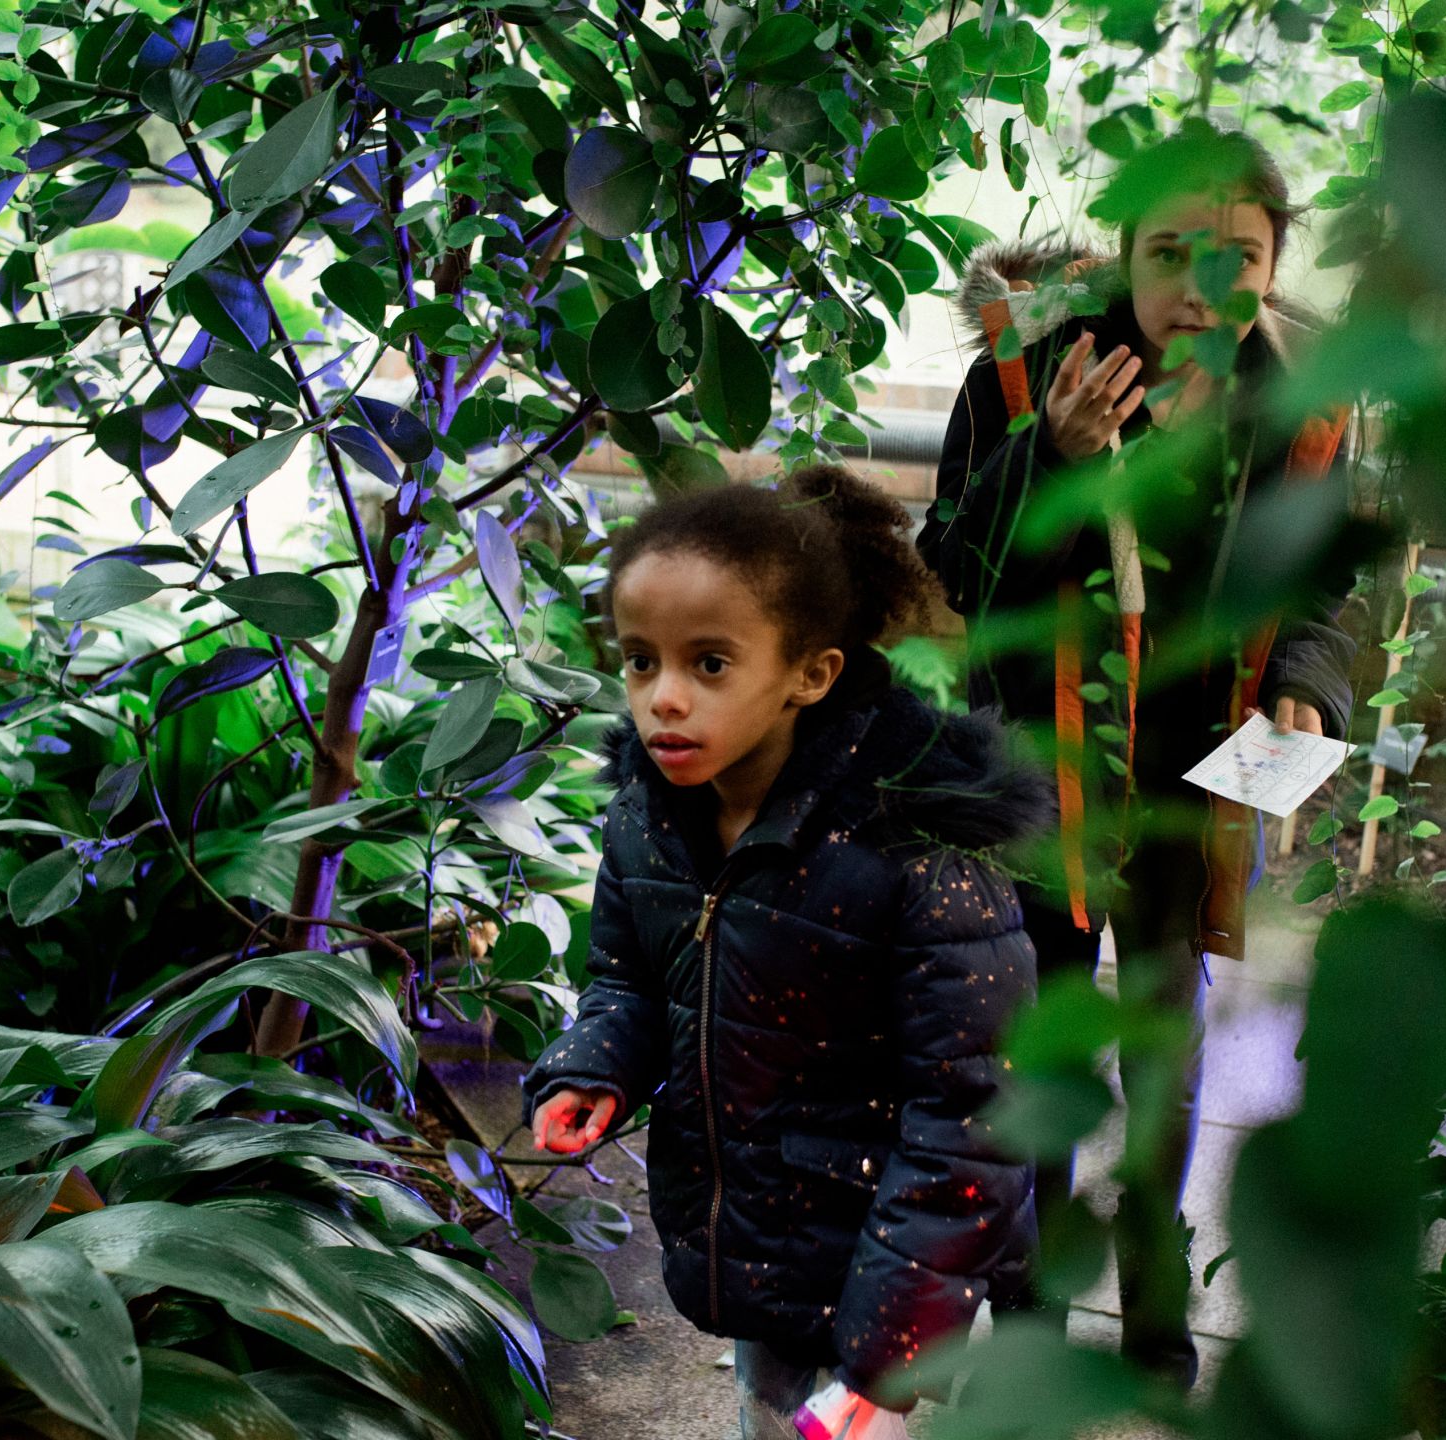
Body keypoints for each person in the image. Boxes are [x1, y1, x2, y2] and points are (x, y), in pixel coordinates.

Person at [916, 125, 1359, 1386]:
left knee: (1167, 1041)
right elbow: (951, 571)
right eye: (1169, 252)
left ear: (1272, 269)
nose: (1199, 288)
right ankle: (1032, 1321)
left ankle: (1158, 1313)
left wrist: (1305, 695)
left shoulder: (1305, 402)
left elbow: (1321, 598)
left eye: (1237, 256)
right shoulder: (1026, 372)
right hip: (1040, 765)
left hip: (1201, 777)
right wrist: (1045, 460)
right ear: (1124, 257)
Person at [524, 467, 1047, 1439]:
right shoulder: (655, 817)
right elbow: (633, 979)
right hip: (762, 1249)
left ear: (812, 671)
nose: (663, 699)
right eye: (643, 661)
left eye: (710, 663)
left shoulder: (920, 842)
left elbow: (977, 1110)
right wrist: (597, 1064)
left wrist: (887, 1355)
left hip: (898, 1269)